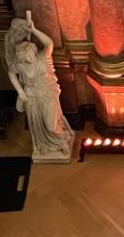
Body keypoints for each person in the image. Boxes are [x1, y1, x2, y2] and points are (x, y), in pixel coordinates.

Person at [5, 10, 75, 162]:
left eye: (27, 55)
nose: (25, 58)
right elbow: (11, 73)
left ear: (34, 52)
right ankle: (49, 145)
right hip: (32, 96)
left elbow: (49, 43)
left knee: (51, 124)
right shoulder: (20, 65)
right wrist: (20, 92)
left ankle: (62, 139)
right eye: (23, 57)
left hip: (48, 94)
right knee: (38, 125)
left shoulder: (43, 60)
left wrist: (34, 30)